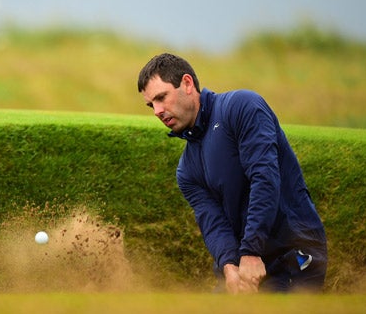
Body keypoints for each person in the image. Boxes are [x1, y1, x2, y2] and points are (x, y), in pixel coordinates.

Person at [137, 53, 327, 293]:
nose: (156, 110)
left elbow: (264, 178)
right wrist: (229, 266)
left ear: (187, 83)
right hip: (246, 264)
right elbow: (214, 224)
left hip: (293, 252)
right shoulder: (186, 171)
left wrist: (250, 251)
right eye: (150, 104)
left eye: (161, 97)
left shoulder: (242, 106)